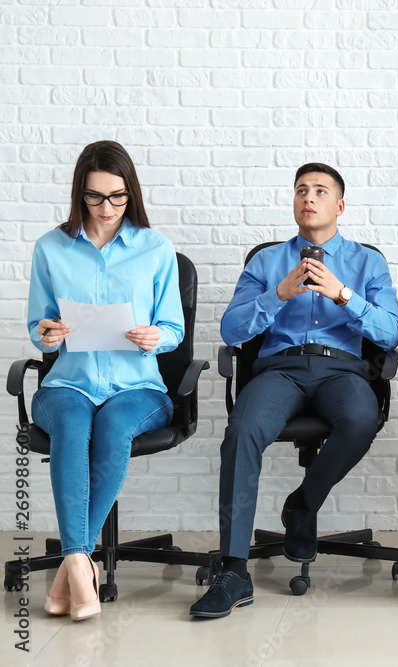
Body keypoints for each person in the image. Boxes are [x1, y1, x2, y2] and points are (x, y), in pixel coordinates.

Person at [189, 163, 398, 618]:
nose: (309, 197)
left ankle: (303, 503)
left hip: (341, 370)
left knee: (362, 418)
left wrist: (344, 295)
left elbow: (390, 333)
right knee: (243, 429)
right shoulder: (266, 262)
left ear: (339, 205)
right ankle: (233, 570)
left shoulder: (368, 262)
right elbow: (231, 330)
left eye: (321, 191)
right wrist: (277, 295)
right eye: (301, 190)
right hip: (279, 371)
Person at [27, 140, 184, 621]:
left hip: (138, 389)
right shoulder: (50, 248)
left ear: (131, 193)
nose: (108, 208)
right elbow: (39, 325)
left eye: (118, 197)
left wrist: (154, 336)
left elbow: (174, 331)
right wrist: (48, 335)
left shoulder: (155, 249)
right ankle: (82, 563)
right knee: (73, 426)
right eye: (96, 197)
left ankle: (72, 565)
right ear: (80, 194)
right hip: (67, 384)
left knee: (114, 427)